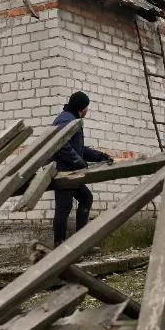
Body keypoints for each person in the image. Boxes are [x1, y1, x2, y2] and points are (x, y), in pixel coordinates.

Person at [51, 91, 113, 247]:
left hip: (71, 172)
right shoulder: (66, 119)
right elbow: (62, 146)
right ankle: (59, 248)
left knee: (86, 198)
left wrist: (100, 156)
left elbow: (78, 148)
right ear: (81, 107)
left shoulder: (72, 119)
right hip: (64, 173)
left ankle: (79, 244)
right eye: (87, 107)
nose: (87, 110)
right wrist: (79, 162)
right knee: (63, 208)